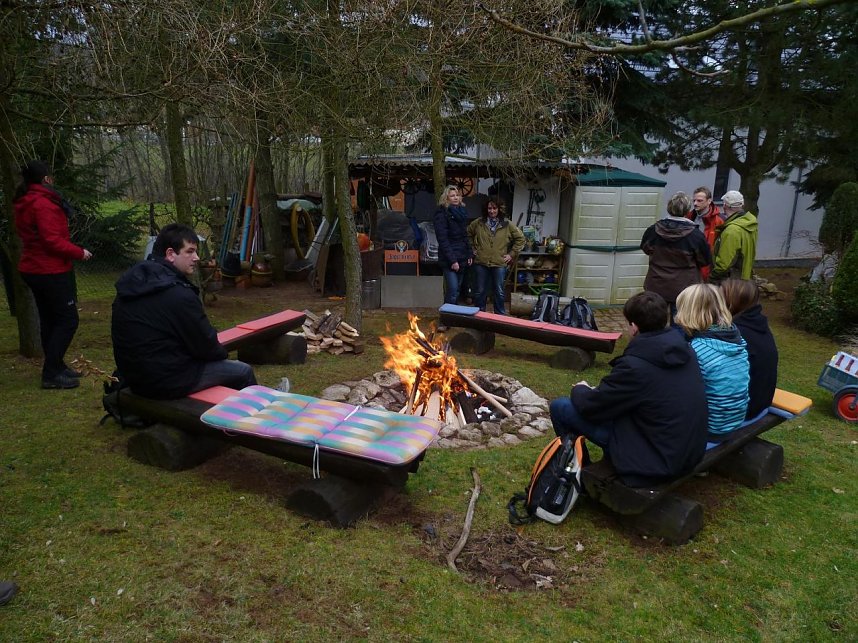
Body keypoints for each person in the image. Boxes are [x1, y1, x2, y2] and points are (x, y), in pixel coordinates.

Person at [549, 291, 708, 486]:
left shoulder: (636, 365)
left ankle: (578, 476)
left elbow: (593, 407)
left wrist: (580, 389)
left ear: (633, 327)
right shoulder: (684, 350)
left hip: (656, 460)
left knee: (561, 407)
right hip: (687, 451)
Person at [111, 223, 257, 400]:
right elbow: (206, 345)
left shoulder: (133, 285)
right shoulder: (178, 294)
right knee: (242, 371)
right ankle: (258, 415)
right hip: (166, 381)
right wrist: (220, 356)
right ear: (170, 254)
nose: (196, 258)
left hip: (134, 377)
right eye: (190, 251)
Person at [14, 160, 93, 389]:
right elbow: (51, 241)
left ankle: (56, 365)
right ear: (46, 179)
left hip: (33, 268)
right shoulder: (42, 204)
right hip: (49, 269)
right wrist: (79, 252)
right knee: (68, 320)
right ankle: (51, 373)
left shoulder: (26, 201)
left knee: (49, 319)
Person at [675, 284, 750, 442]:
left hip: (711, 427)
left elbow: (680, 394)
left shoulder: (696, 350)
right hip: (734, 420)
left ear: (688, 313)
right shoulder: (735, 339)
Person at [641, 192, 711, 318]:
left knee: (653, 321)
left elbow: (646, 249)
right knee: (680, 323)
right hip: (684, 287)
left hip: (656, 283)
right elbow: (704, 260)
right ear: (687, 209)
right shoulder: (695, 235)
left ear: (669, 207)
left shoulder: (653, 230)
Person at [720, 279, 778, 420]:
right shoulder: (757, 324)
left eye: (719, 298)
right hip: (762, 400)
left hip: (745, 409)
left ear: (731, 302)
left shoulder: (735, 333)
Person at [467, 197, 525, 315]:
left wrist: (511, 254)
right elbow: (468, 233)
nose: (492, 211)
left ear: (499, 209)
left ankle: (500, 316)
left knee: (499, 291)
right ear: (486, 209)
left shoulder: (507, 224)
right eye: (489, 208)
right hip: (481, 262)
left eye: (494, 208)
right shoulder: (478, 223)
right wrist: (472, 248)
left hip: (499, 263)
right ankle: (479, 315)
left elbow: (521, 239)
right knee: (479, 291)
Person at [433, 185, 473, 305]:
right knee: (453, 289)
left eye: (457, 195)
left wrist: (469, 254)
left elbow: (465, 236)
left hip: (462, 256)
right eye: (452, 196)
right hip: (449, 258)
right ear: (447, 198)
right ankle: (445, 319)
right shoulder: (441, 214)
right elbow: (443, 239)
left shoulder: (462, 213)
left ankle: (453, 316)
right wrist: (453, 260)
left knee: (458, 290)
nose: (455, 198)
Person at [710, 190, 757, 283]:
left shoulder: (732, 230)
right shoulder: (749, 224)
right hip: (743, 276)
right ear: (742, 205)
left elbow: (724, 263)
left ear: (724, 205)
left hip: (730, 281)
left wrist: (712, 276)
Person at [686, 187, 722, 280]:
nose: (695, 203)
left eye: (699, 201)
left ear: (709, 201)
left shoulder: (719, 221)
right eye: (694, 200)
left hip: (707, 266)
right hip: (690, 264)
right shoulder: (689, 217)